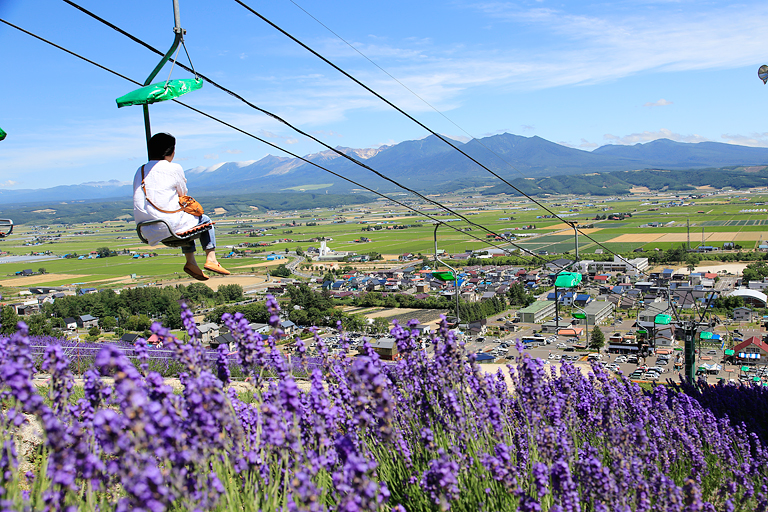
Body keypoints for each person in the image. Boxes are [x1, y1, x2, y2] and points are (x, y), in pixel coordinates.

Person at [133, 132, 229, 281]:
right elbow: (182, 193)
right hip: (168, 225)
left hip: (145, 228)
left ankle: (191, 262)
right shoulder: (174, 168)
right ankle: (211, 259)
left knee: (184, 219)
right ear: (171, 151)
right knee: (204, 220)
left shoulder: (140, 170)